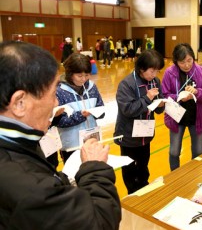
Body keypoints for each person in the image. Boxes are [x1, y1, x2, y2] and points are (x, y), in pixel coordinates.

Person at [0, 41, 121, 229]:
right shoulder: (29, 186)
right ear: (19, 103)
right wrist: (94, 168)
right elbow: (99, 223)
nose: (56, 101)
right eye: (53, 93)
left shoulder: (19, 144)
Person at [114, 49, 165, 194]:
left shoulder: (155, 81)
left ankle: (144, 192)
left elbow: (157, 107)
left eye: (157, 71)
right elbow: (128, 110)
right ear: (141, 68)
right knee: (130, 170)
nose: (154, 75)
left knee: (143, 167)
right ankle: (133, 196)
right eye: (152, 71)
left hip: (146, 135)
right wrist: (147, 98)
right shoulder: (127, 84)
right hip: (128, 136)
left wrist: (161, 105)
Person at [161, 43, 202, 171]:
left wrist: (197, 92)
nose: (187, 65)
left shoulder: (201, 72)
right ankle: (174, 177)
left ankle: (194, 176)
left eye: (189, 60)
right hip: (176, 117)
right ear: (176, 61)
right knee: (174, 151)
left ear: (193, 58)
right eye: (182, 62)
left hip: (197, 117)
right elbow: (164, 94)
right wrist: (178, 97)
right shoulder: (169, 73)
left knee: (197, 151)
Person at [55, 53, 105, 163]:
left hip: (92, 141)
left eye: (87, 75)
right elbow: (58, 121)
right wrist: (81, 115)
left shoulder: (92, 87)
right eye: (79, 76)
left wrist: (99, 113)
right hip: (72, 145)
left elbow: (100, 106)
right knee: (74, 177)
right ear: (70, 73)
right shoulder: (59, 91)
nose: (84, 79)